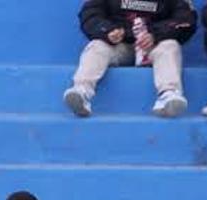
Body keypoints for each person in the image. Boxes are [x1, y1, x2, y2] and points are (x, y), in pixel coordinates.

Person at [64, 0, 198, 117]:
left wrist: (154, 34)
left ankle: (169, 94)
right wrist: (108, 31)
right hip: (120, 44)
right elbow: (90, 14)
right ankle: (82, 91)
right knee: (97, 46)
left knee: (170, 46)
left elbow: (186, 19)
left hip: (155, 44)